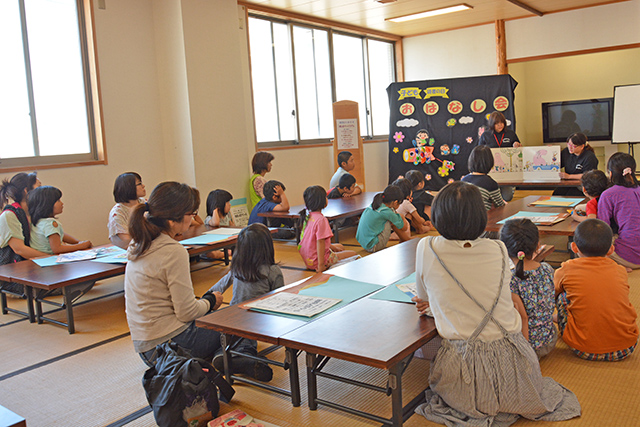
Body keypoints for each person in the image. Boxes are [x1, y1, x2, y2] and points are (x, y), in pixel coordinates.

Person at [412, 181, 580, 425]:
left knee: (420, 350)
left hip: (465, 363)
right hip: (514, 357)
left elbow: (423, 298)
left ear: (437, 217)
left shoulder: (426, 247)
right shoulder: (499, 248)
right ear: (480, 217)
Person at [124, 182, 224, 367]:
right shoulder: (173, 251)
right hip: (172, 346)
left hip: (146, 349)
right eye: (191, 213)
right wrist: (211, 301)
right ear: (172, 220)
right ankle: (221, 360)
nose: (193, 218)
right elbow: (187, 313)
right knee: (234, 321)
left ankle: (216, 359)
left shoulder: (138, 243)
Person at [208, 223, 283, 381]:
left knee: (230, 336)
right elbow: (282, 300)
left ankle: (224, 355)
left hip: (233, 317)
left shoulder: (237, 268)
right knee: (247, 340)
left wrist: (206, 301)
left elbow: (217, 288)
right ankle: (246, 359)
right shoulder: (272, 271)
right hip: (260, 321)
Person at [555, 219, 638, 361]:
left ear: (574, 247)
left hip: (582, 348)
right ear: (611, 249)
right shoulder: (620, 270)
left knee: (563, 295)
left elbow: (552, 294)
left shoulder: (566, 269)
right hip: (626, 347)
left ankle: (561, 320)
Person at [500, 218, 557, 358]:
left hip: (530, 347)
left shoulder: (511, 279)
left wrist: (525, 356)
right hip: (549, 340)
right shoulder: (547, 269)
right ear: (538, 246)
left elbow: (523, 319)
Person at [0, 173, 47, 297]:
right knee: (71, 285)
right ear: (27, 191)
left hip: (35, 265)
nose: (42, 190)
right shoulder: (9, 215)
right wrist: (51, 258)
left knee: (82, 279)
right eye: (39, 186)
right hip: (15, 274)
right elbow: (20, 249)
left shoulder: (33, 211)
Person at [298, 186, 357, 272]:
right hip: (318, 262)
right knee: (354, 254)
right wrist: (321, 265)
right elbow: (320, 242)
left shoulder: (307, 216)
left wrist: (332, 247)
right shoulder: (321, 220)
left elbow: (313, 240)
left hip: (308, 259)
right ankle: (329, 265)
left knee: (339, 246)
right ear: (321, 201)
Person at [597, 152, 640, 270]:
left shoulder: (608, 194)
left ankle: (618, 266)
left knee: (592, 245)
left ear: (610, 173)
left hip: (630, 257)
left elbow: (602, 226)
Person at [28, 186, 92, 254]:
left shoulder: (39, 221)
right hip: (51, 259)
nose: (62, 203)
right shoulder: (51, 223)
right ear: (47, 204)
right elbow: (57, 249)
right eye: (58, 200)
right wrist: (81, 246)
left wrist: (78, 242)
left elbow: (59, 234)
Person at [478, 111, 521, 201]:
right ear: (491, 124)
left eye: (501, 123)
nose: (500, 125)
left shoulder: (510, 133)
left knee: (507, 197)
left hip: (507, 171)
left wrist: (517, 144)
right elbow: (479, 151)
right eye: (496, 123)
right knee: (492, 198)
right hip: (491, 170)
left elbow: (518, 148)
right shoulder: (485, 135)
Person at [356, 185, 409, 252]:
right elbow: (403, 227)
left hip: (365, 243)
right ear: (395, 202)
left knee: (393, 218)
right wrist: (402, 217)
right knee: (392, 220)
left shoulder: (376, 204)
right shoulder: (386, 211)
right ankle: (406, 239)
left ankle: (405, 239)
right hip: (373, 246)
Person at [108, 172, 146, 249]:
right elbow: (126, 239)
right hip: (130, 249)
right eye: (139, 184)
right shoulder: (118, 212)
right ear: (129, 188)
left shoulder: (144, 202)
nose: (143, 186)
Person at [461, 145, 506, 210]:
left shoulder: (464, 180)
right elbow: (501, 205)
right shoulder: (490, 183)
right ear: (489, 162)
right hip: (482, 218)